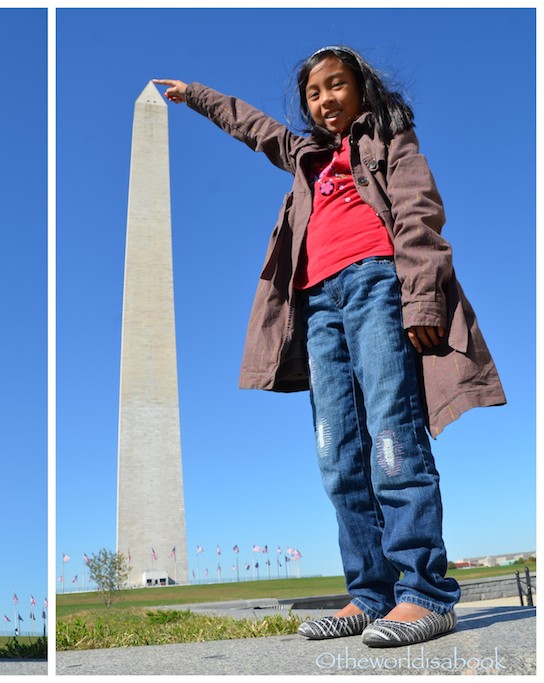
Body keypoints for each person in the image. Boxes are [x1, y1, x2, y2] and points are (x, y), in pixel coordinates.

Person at [154, 45, 505, 648]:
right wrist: (197, 97)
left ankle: (425, 592)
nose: (325, 99)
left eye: (336, 85)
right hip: (316, 304)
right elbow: (254, 126)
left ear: (361, 88)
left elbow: (420, 215)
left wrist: (421, 299)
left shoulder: (391, 139)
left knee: (392, 436)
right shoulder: (305, 156)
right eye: (314, 93)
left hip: (375, 283)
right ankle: (370, 594)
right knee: (337, 454)